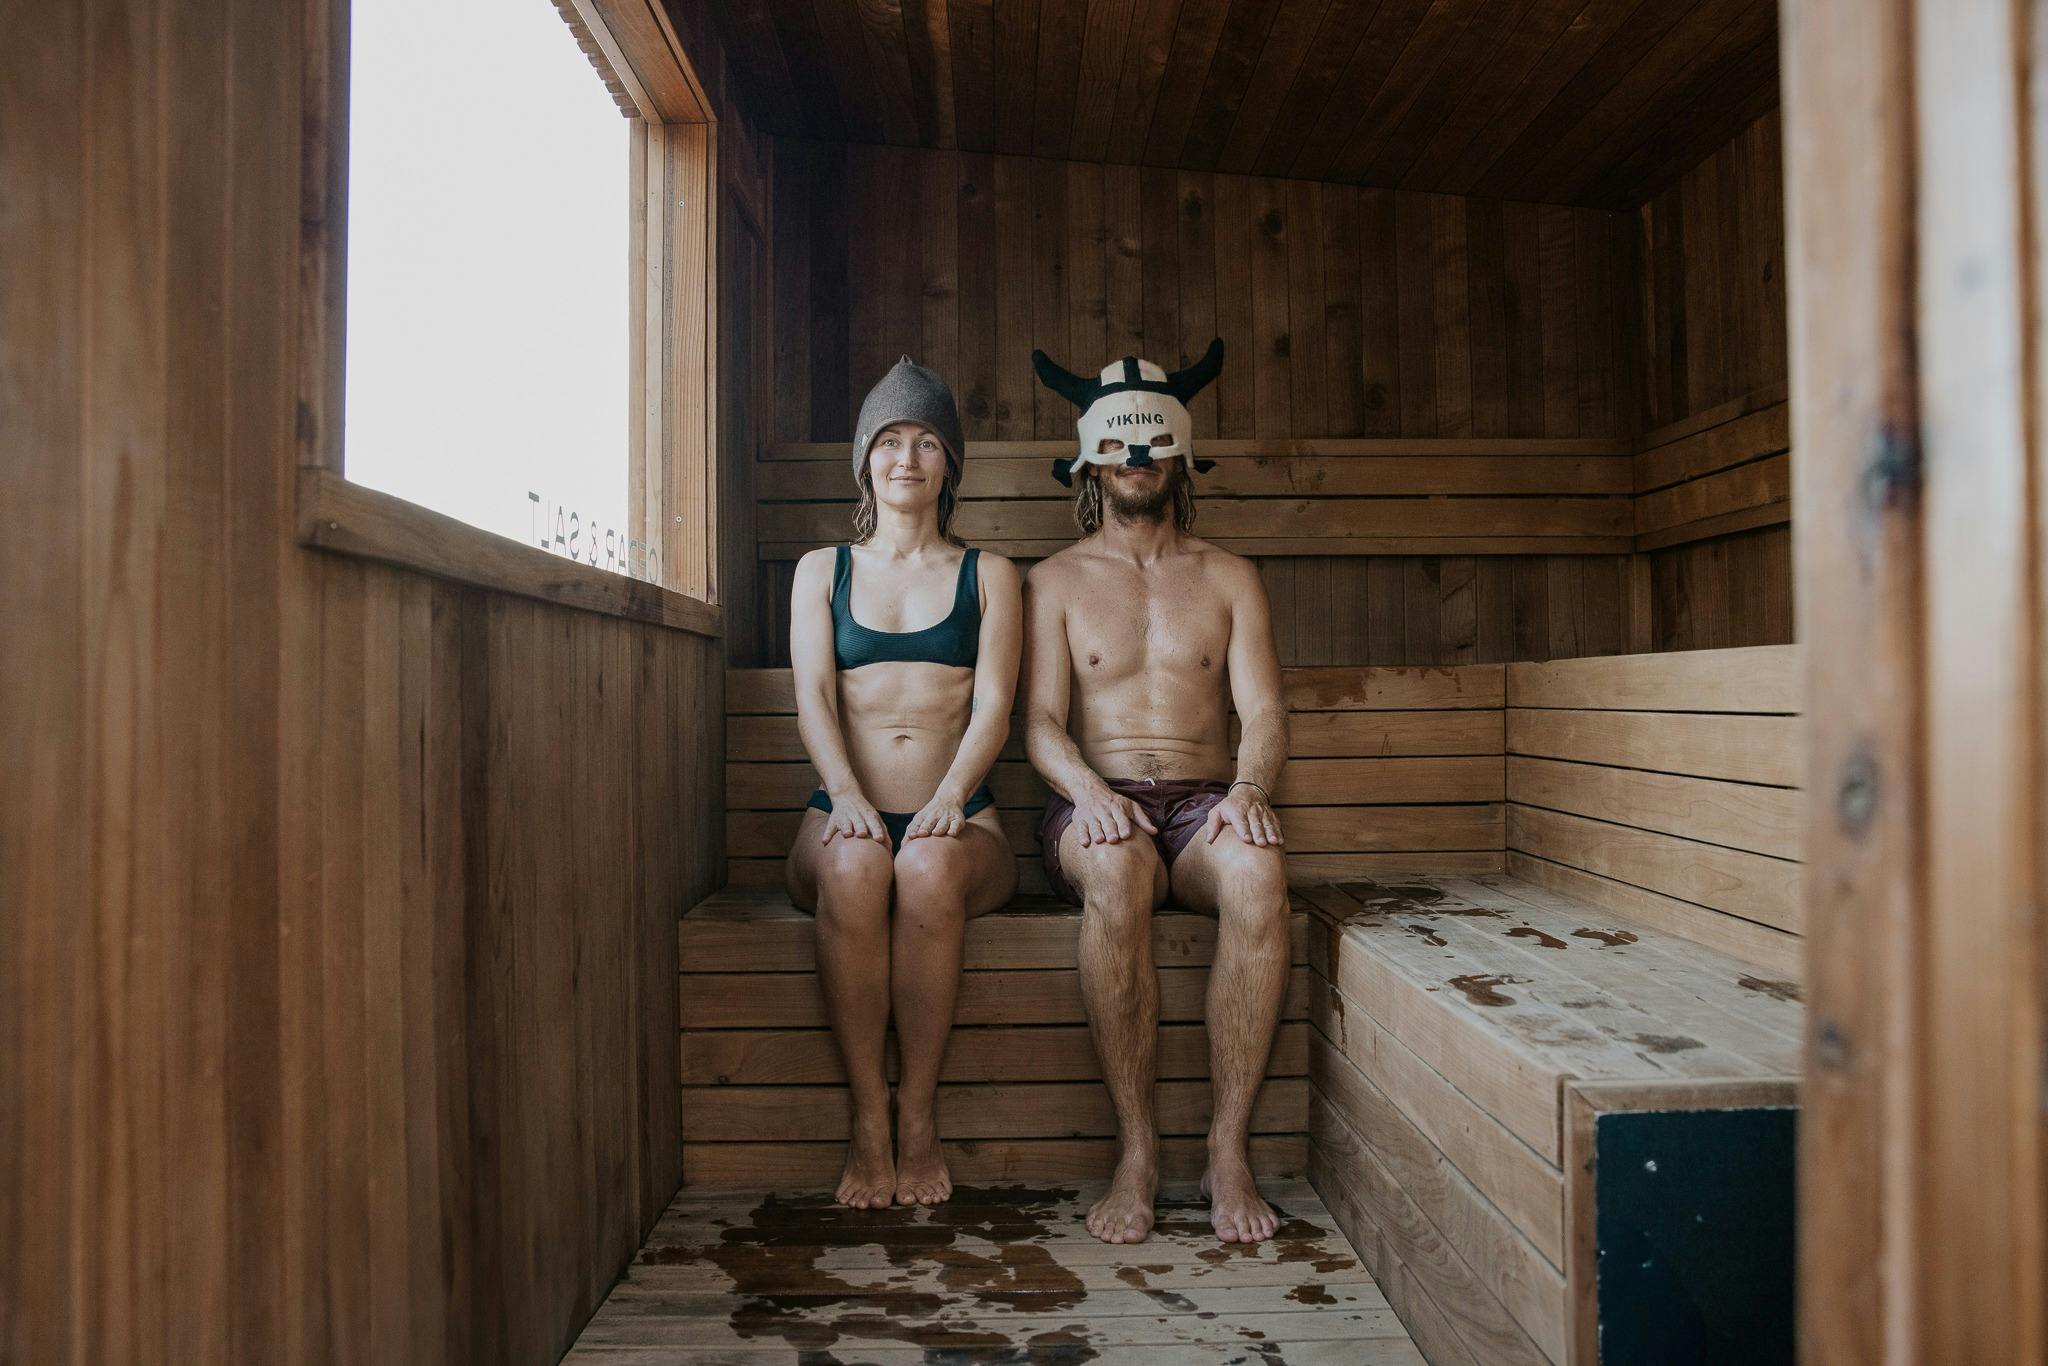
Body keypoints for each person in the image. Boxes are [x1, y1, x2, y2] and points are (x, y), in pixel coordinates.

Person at [1021, 340, 1292, 1246]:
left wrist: (1249, 788)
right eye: (1118, 446)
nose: (1136, 460)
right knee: (1117, 869)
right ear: (1090, 461)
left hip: (1206, 801)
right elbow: (1039, 722)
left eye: (1153, 445)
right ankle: (1136, 1150)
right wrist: (1089, 793)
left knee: (1259, 874)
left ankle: (1227, 1149)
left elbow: (1264, 710)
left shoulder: (1230, 577)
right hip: (1094, 800)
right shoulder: (1054, 581)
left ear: (1181, 455)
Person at [785, 358, 1022, 1209]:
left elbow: (994, 708)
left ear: (949, 463)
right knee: (856, 866)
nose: (906, 457)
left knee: (923, 866)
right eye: (889, 440)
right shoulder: (823, 570)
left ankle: (916, 1117)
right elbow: (814, 698)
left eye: (926, 441)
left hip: (962, 820)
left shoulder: (989, 575)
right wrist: (846, 794)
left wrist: (950, 797)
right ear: (865, 460)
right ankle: (868, 1120)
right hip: (840, 809)